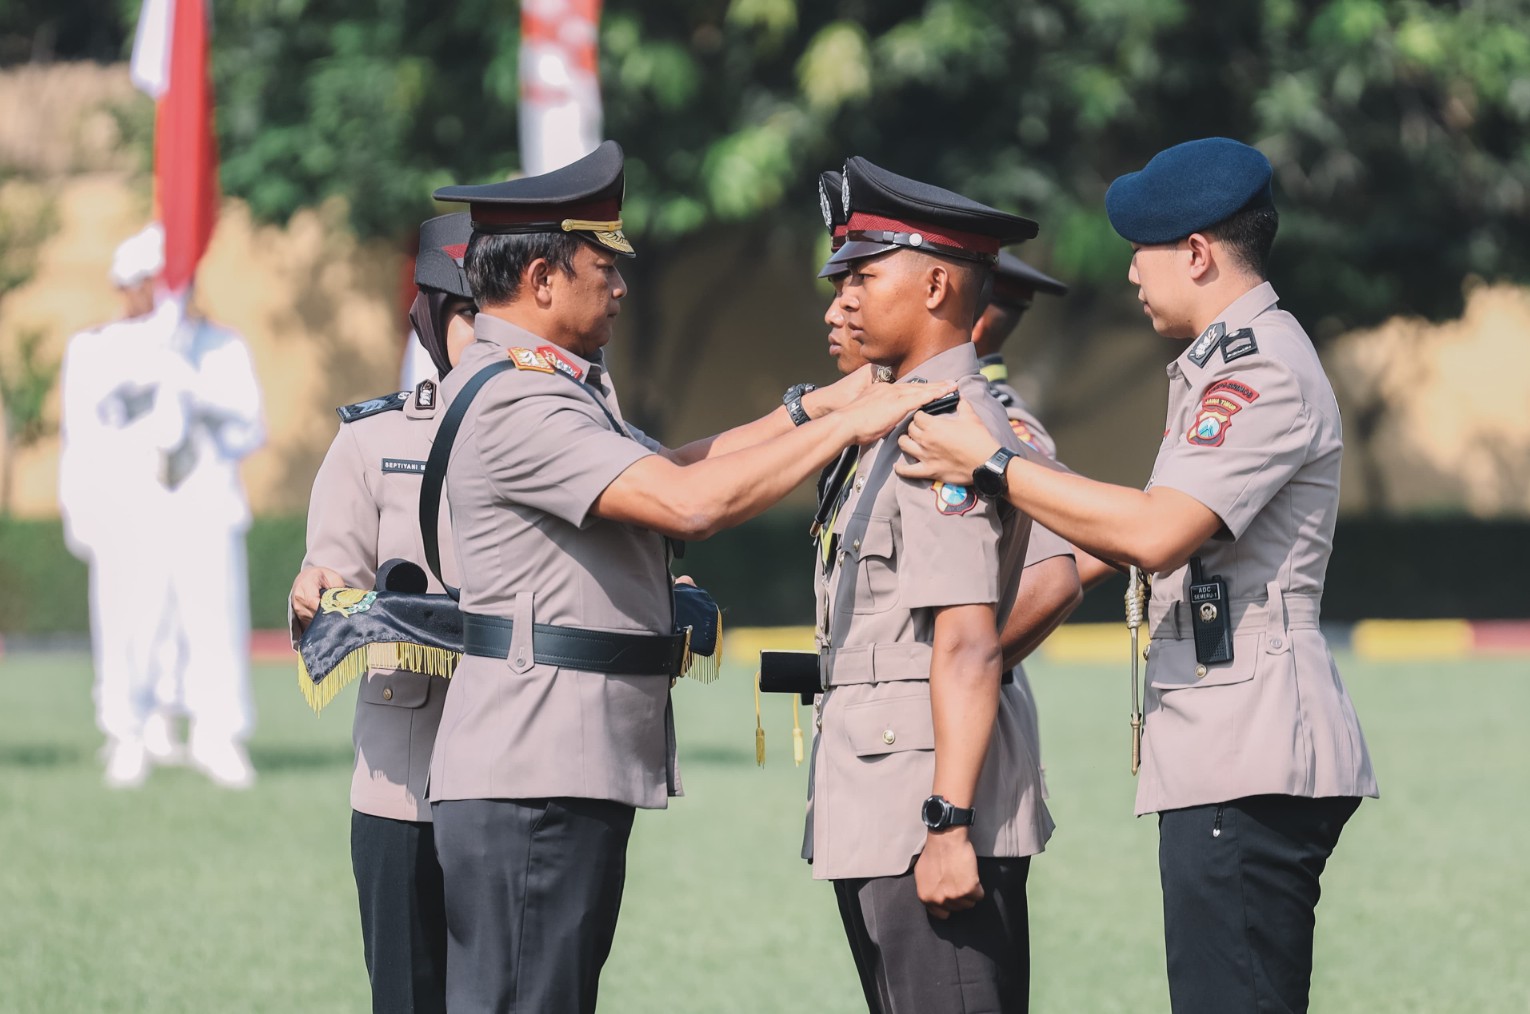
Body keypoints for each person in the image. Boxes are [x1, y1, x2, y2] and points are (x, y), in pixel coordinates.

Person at [425, 140, 949, 1014]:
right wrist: (855, 424)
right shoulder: (520, 398)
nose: (620, 287)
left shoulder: (553, 385)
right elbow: (689, 503)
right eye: (604, 267)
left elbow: (669, 466)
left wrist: (816, 407)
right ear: (543, 280)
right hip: (532, 770)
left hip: (551, 761)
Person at [896, 137, 1378, 1014]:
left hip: (1248, 748)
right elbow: (1125, 534)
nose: (1129, 274)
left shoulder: (1258, 368)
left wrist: (992, 465)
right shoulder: (1223, 360)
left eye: (1140, 251)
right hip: (1228, 744)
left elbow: (1156, 534)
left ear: (1195, 253)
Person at [806, 154, 1052, 1014]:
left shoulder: (944, 427)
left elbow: (966, 639)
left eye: (864, 277)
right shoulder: (897, 417)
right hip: (885, 796)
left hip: (924, 810)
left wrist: (948, 825)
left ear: (938, 285)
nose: (842, 301)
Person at [287, 213, 477, 1014]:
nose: (484, 332)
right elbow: (330, 580)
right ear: (430, 318)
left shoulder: (566, 430)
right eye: (466, 312)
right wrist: (315, 587)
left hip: (523, 773)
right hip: (405, 783)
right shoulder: (375, 438)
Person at [59, 225, 174, 787]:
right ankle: (121, 724)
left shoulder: (179, 339)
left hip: (166, 504)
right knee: (118, 619)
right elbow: (77, 436)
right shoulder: (91, 347)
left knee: (166, 619)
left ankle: (161, 718)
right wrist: (76, 508)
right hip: (112, 505)